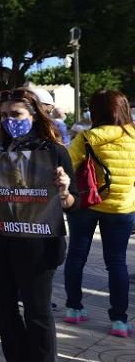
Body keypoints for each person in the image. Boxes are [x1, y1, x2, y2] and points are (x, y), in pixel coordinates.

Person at [0, 88, 76, 362]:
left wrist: (64, 192)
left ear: (34, 116)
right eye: (5, 115)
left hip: (38, 245)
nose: (9, 120)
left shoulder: (54, 152)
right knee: (2, 307)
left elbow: (74, 202)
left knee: (37, 312)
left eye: (16, 115)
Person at [64, 89, 135, 338]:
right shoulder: (134, 137)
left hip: (86, 204)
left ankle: (73, 308)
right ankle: (119, 321)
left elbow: (67, 167)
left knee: (76, 256)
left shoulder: (87, 137)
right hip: (122, 207)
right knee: (116, 262)